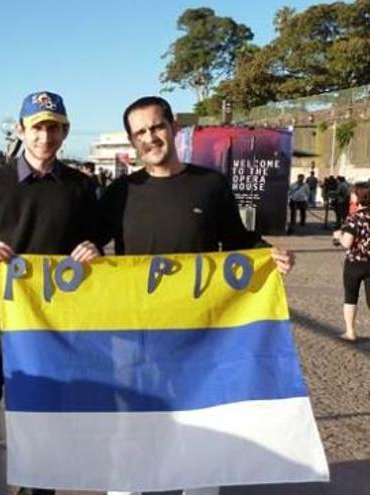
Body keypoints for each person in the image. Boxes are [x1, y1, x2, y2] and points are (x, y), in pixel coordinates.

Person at [99, 96, 294, 495]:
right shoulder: (121, 192)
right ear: (132, 142)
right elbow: (88, 240)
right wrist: (82, 250)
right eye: (140, 133)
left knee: (201, 427)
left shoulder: (210, 184)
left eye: (156, 127)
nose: (150, 138)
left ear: (172, 127)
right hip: (140, 334)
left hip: (200, 335)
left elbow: (238, 241)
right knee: (135, 428)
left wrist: (268, 255)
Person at [0, 90, 100, 495]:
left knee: (40, 431)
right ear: (21, 130)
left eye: (54, 128)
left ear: (64, 132)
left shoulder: (80, 188)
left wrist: (94, 248)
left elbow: (95, 239)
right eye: (37, 127)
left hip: (49, 328)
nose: (45, 137)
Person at [333, 182, 370, 342]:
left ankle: (350, 332)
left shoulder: (354, 218)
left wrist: (337, 237)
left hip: (355, 263)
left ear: (359, 197)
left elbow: (347, 242)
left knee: (351, 297)